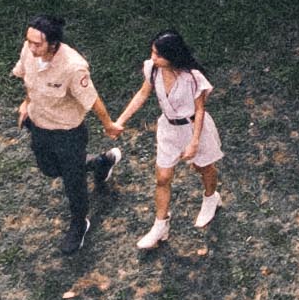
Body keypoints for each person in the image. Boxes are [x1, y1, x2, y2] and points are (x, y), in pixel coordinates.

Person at [12, 15, 118, 256]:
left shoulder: (73, 66)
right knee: (49, 169)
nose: (30, 47)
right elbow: (28, 80)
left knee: (74, 183)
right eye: (28, 41)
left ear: (53, 43)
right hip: (38, 125)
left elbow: (91, 99)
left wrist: (108, 124)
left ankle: (80, 223)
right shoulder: (30, 51)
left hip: (67, 133)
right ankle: (100, 163)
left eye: (36, 44)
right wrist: (26, 103)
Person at [132, 29, 225, 250]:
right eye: (152, 52)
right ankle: (160, 225)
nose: (152, 58)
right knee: (163, 177)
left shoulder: (192, 78)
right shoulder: (153, 70)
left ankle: (211, 198)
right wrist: (120, 120)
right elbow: (142, 94)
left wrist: (194, 142)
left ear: (171, 56)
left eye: (157, 54)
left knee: (203, 167)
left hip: (194, 128)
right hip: (168, 129)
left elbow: (200, 111)